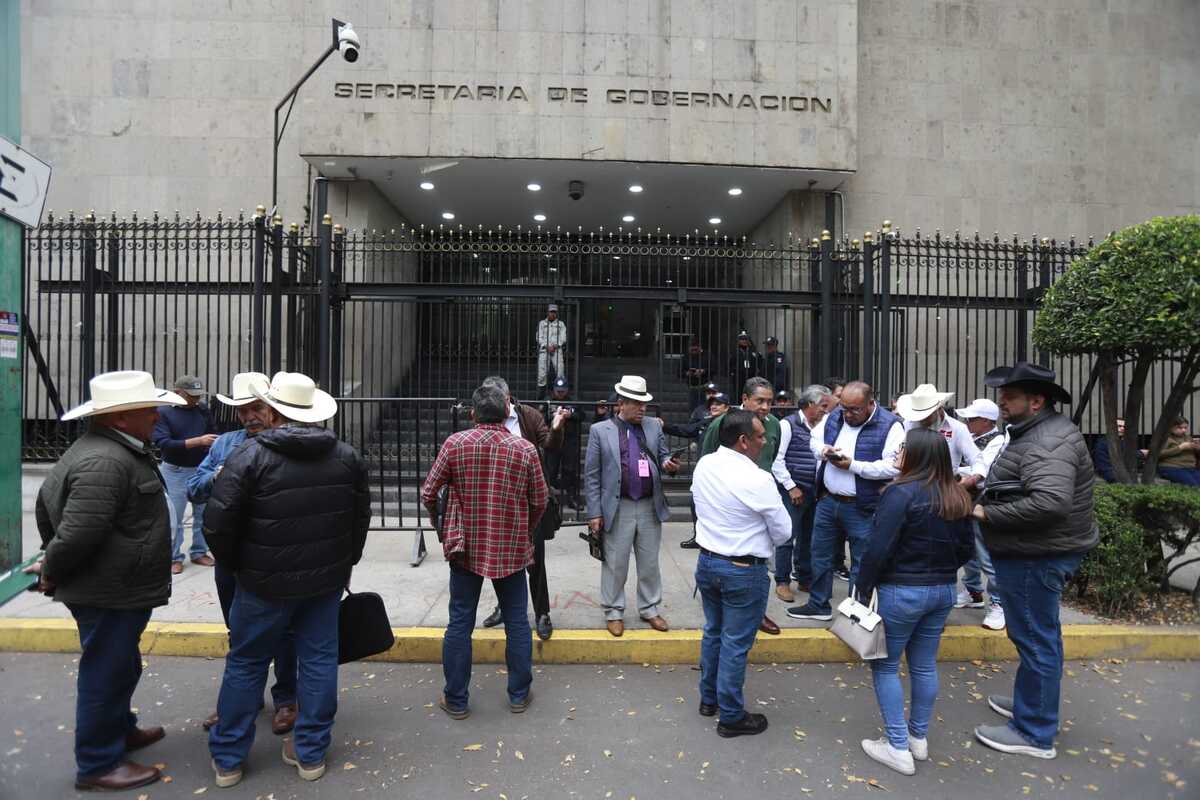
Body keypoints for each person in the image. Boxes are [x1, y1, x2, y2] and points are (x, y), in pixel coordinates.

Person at [204, 372, 371, 787]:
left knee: (246, 663)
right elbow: (359, 522)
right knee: (317, 662)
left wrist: (240, 565)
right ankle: (310, 751)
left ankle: (228, 757)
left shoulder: (249, 457)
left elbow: (218, 523)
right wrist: (342, 563)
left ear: (274, 411)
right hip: (324, 584)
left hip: (261, 584)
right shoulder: (346, 457)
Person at [31, 370, 187, 791]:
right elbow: (78, 531)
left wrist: (54, 562)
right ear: (120, 418)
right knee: (106, 671)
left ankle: (120, 731)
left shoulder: (110, 450)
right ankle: (98, 763)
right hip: (109, 590)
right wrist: (52, 569)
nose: (156, 416)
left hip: (115, 586)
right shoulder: (105, 460)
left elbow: (49, 510)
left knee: (120, 665)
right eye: (148, 409)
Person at [972, 362, 1098, 761]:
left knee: (1035, 640)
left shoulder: (1048, 439)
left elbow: (1049, 502)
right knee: (1040, 636)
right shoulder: (1041, 431)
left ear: (1037, 401)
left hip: (1036, 556)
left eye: (1009, 396)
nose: (1001, 402)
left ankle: (1034, 732)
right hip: (1036, 551)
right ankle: (1032, 705)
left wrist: (985, 514)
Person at [421, 383, 549, 719]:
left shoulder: (455, 444)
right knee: (517, 623)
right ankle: (519, 694)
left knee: (460, 623)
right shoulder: (524, 450)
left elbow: (428, 493)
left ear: (473, 413)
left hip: (466, 546)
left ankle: (457, 699)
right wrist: (525, 527)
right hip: (509, 546)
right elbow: (541, 500)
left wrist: (442, 526)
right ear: (508, 411)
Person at [855, 427, 975, 776]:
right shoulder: (956, 495)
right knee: (923, 665)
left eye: (903, 448)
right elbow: (967, 548)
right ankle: (917, 738)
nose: (898, 453)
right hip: (942, 590)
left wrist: (863, 589)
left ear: (917, 454)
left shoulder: (900, 492)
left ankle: (896, 746)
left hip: (901, 591)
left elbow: (878, 548)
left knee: (886, 666)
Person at [186, 372, 297, 735]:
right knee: (238, 629)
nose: (250, 415)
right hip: (231, 555)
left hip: (276, 555)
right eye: (243, 409)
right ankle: (240, 701)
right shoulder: (224, 445)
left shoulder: (288, 442)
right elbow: (194, 489)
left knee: (283, 631)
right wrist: (216, 476)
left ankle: (287, 699)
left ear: (272, 409)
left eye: (257, 408)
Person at [691, 409, 792, 738]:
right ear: (743, 441)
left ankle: (709, 699)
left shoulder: (705, 464)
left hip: (708, 563)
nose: (766, 441)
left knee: (714, 632)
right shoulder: (757, 479)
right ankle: (731, 716)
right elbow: (783, 531)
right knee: (734, 643)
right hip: (741, 570)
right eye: (761, 436)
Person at [787, 381, 903, 621]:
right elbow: (814, 440)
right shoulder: (836, 416)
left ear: (871, 403)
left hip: (863, 504)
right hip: (828, 500)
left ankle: (857, 609)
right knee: (819, 554)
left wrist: (853, 466)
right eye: (844, 408)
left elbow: (892, 467)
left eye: (854, 410)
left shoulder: (891, 425)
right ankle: (818, 604)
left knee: (861, 559)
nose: (847, 414)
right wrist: (824, 451)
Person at [584, 375, 680, 636]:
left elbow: (662, 456)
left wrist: (669, 463)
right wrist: (594, 512)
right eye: (637, 403)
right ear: (621, 403)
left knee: (649, 563)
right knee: (615, 563)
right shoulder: (600, 431)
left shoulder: (653, 426)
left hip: (650, 505)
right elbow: (592, 475)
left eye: (644, 404)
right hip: (619, 506)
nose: (642, 409)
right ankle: (613, 611)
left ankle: (650, 608)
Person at [478, 376, 567, 640]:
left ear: (509, 399)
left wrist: (558, 427)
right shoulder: (484, 416)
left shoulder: (528, 415)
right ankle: (504, 607)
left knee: (535, 559)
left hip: (529, 501)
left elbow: (550, 444)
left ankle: (542, 612)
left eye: (499, 402)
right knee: (499, 559)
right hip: (499, 500)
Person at [700, 377, 784, 635]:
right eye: (760, 400)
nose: (766, 407)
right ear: (745, 399)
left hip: (760, 501)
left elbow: (771, 458)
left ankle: (757, 613)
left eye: (769, 402)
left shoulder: (774, 426)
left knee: (760, 564)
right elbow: (708, 459)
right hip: (729, 506)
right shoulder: (722, 424)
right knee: (730, 565)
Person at [770, 384, 831, 601]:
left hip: (817, 490)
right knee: (788, 536)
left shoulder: (825, 425)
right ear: (808, 405)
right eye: (823, 405)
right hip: (794, 490)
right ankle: (783, 581)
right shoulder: (788, 425)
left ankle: (805, 578)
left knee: (809, 537)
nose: (826, 410)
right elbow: (777, 460)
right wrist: (790, 486)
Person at [153, 374, 218, 574]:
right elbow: (163, 444)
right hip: (175, 470)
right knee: (175, 517)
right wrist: (198, 442)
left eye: (198, 395)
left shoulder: (202, 409)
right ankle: (173, 556)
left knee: (203, 514)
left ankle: (199, 552)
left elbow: (213, 432)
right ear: (177, 392)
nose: (196, 400)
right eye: (191, 396)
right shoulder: (163, 412)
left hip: (200, 469)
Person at [955, 398, 1007, 630]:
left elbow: (982, 469)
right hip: (964, 500)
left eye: (971, 418)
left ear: (986, 421)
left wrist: (956, 470)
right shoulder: (970, 437)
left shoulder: (997, 441)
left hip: (983, 503)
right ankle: (973, 590)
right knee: (967, 550)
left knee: (986, 555)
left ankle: (998, 603)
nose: (966, 422)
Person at [679, 392, 733, 550]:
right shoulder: (707, 422)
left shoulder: (729, 424)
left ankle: (714, 541)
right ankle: (699, 536)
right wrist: (663, 426)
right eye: (712, 404)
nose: (714, 406)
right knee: (695, 503)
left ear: (727, 407)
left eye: (719, 404)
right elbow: (687, 430)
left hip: (720, 474)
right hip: (704, 472)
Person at [544, 376, 583, 509]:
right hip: (553, 441)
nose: (560, 393)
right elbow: (540, 417)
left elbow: (582, 415)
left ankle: (572, 498)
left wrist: (570, 415)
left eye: (563, 390)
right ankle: (548, 501)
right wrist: (553, 415)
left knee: (570, 470)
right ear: (554, 390)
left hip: (569, 441)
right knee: (550, 470)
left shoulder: (574, 402)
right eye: (558, 390)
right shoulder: (547, 401)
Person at [1157, 416, 1200, 486]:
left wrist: (1197, 448)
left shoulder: (1188, 438)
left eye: (1185, 428)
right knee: (1194, 486)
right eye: (1180, 428)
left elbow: (1196, 455)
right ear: (1171, 427)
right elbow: (1158, 454)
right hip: (1172, 467)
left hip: (1190, 467)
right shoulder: (1165, 438)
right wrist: (1180, 448)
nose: (1183, 430)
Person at [536, 303, 567, 396]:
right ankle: (541, 396)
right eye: (551, 312)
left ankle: (559, 393)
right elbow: (539, 337)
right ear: (547, 312)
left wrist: (555, 345)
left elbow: (563, 338)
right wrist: (546, 346)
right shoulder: (542, 323)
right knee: (542, 374)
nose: (552, 314)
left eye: (554, 312)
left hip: (557, 350)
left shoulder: (561, 324)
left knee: (560, 372)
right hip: (544, 350)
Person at [681, 339, 713, 410]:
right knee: (693, 409)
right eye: (692, 350)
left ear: (699, 347)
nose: (693, 352)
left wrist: (703, 371)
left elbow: (714, 369)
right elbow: (679, 373)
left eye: (695, 350)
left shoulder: (707, 355)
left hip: (705, 385)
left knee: (706, 408)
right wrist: (687, 373)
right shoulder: (686, 357)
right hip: (692, 387)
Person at [1092, 417, 1124, 482]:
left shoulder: (1124, 442)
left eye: (1124, 426)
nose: (1122, 428)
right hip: (1112, 478)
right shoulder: (1102, 444)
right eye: (1119, 426)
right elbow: (1103, 466)